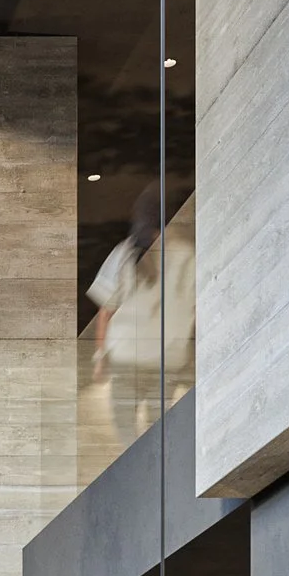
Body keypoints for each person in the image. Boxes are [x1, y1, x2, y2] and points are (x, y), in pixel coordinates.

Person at [88, 183, 195, 435]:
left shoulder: (124, 253)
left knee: (124, 422)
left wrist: (99, 358)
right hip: (168, 355)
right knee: (161, 423)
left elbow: (106, 311)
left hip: (128, 354)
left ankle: (141, 469)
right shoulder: (187, 254)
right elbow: (196, 310)